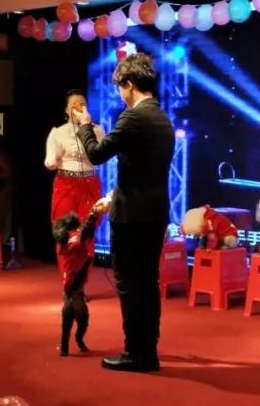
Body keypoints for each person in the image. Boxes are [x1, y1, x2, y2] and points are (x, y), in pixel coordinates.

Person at [73, 54, 174, 373]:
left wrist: (85, 126)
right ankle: (147, 350)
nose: (119, 93)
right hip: (154, 212)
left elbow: (96, 154)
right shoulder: (162, 117)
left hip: (132, 216)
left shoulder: (133, 117)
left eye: (120, 87)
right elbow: (143, 171)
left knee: (130, 285)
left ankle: (135, 353)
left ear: (129, 84)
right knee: (148, 283)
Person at [52, 196, 111, 356]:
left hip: (71, 285)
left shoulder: (62, 241)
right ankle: (74, 340)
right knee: (78, 316)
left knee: (72, 317)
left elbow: (85, 229)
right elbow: (87, 228)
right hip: (74, 285)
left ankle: (67, 344)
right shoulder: (75, 238)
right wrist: (93, 214)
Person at [45, 91, 105, 240]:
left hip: (90, 184)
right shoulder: (58, 133)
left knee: (87, 229)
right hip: (65, 184)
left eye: (83, 105)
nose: (79, 108)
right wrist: (56, 157)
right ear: (67, 109)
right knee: (64, 230)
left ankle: (86, 255)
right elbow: (49, 163)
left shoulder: (98, 131)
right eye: (74, 105)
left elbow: (101, 157)